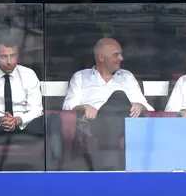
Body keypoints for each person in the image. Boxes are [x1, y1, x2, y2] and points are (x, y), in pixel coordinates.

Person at [0, 34, 62, 171]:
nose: (9, 61)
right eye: (4, 57)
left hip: (24, 125)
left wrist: (18, 120)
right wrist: (0, 120)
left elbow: (37, 109)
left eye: (12, 56)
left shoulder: (29, 75)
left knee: (53, 120)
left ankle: (55, 170)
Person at [62, 38, 153, 170]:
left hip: (125, 123)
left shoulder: (127, 77)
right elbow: (68, 107)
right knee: (118, 99)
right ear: (101, 57)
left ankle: (107, 167)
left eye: (121, 54)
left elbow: (148, 107)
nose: (121, 58)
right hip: (95, 123)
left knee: (119, 96)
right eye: (116, 55)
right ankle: (112, 167)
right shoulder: (81, 77)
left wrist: (140, 106)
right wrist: (85, 107)